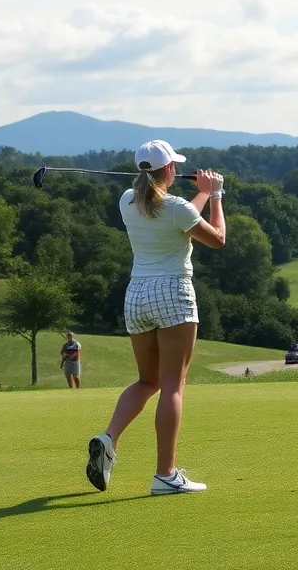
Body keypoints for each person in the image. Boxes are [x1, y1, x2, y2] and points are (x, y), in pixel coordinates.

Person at [86, 141, 226, 496]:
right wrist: (215, 196)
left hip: (137, 295)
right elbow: (217, 239)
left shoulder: (126, 202)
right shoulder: (177, 207)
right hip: (173, 293)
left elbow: (177, 213)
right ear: (168, 171)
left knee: (147, 381)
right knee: (173, 386)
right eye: (174, 166)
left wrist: (201, 196)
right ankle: (165, 474)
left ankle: (109, 437)